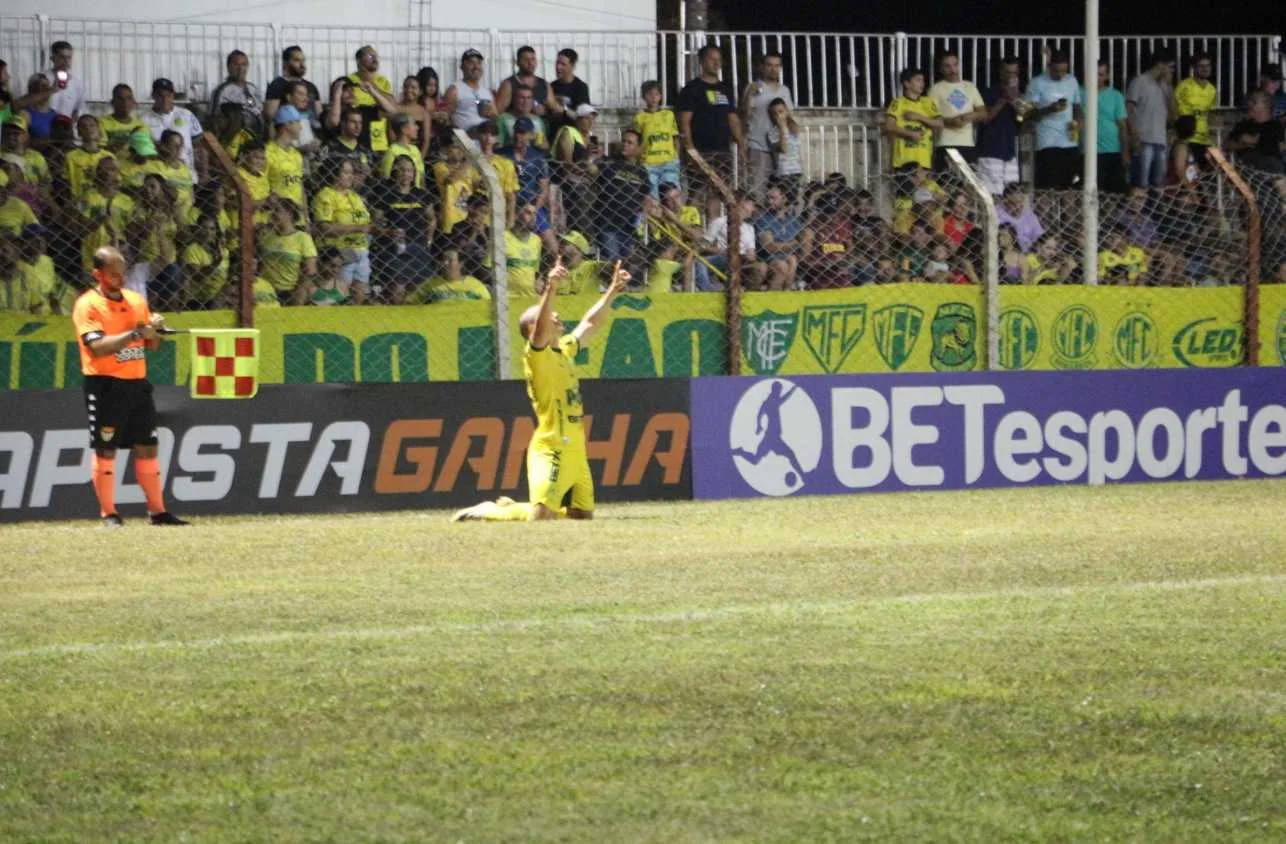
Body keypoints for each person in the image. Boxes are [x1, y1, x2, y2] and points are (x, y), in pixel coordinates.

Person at [452, 257, 631, 522]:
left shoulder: (565, 349)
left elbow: (590, 323)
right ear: (535, 328)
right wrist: (551, 288)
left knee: (581, 516)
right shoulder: (537, 357)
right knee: (541, 516)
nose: (556, 316)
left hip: (576, 447)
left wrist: (612, 290)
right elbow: (539, 332)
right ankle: (494, 510)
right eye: (547, 317)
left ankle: (523, 505)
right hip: (552, 446)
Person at [72, 246, 188, 527]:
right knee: (106, 449)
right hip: (105, 385)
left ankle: (158, 512)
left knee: (147, 446)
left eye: (122, 273)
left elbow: (152, 345)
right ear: (97, 274)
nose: (120, 279)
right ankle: (109, 513)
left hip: (137, 383)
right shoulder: (88, 305)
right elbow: (97, 347)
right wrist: (136, 332)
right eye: (113, 275)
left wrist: (155, 330)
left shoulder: (136, 300)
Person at [678, 44, 744, 220]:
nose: (716, 63)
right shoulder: (692, 89)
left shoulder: (725, 88)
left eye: (719, 60)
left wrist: (741, 143)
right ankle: (691, 234)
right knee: (696, 194)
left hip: (722, 151)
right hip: (701, 151)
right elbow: (684, 122)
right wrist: (690, 150)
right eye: (712, 59)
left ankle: (712, 237)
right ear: (702, 61)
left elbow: (733, 118)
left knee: (717, 196)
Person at [312, 159, 373, 304]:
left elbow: (366, 222)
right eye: (346, 172)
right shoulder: (325, 195)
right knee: (339, 296)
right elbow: (325, 228)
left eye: (352, 173)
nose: (350, 176)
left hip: (361, 250)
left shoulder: (355, 197)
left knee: (359, 295)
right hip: (339, 250)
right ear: (334, 174)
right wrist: (357, 228)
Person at [1026, 49, 1083, 189]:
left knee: (1069, 188)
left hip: (1069, 142)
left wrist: (1078, 122)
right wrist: (1050, 109)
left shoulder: (1072, 80)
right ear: (1049, 66)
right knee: (1047, 188)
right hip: (1046, 142)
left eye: (1063, 71)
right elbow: (1028, 114)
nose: (1060, 75)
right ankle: (1047, 212)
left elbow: (1076, 106)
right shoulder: (1037, 82)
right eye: (1057, 71)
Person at [592, 129, 649, 262]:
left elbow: (646, 196)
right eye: (623, 141)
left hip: (629, 226)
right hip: (607, 223)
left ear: (638, 148)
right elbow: (592, 167)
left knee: (625, 267)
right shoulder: (609, 163)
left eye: (630, 143)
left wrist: (641, 219)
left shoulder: (641, 171)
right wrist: (593, 158)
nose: (625, 145)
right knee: (613, 263)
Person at [741, 52, 794, 194]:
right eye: (769, 65)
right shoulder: (753, 88)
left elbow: (790, 119)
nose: (773, 69)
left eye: (777, 66)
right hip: (759, 147)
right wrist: (748, 96)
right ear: (762, 67)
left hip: (780, 149)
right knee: (757, 191)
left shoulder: (785, 90)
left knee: (784, 192)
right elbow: (744, 117)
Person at [1126, 49, 1176, 189]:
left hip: (1160, 140)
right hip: (1143, 140)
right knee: (1142, 183)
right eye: (1170, 67)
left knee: (1158, 183)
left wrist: (1170, 87)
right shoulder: (1139, 81)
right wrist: (1134, 135)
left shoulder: (1165, 85)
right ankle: (1138, 210)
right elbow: (1128, 110)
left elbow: (1174, 115)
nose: (1171, 71)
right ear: (1160, 64)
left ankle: (1155, 211)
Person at [929, 50, 985, 169]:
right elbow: (930, 119)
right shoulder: (935, 89)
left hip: (968, 144)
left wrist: (969, 116)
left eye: (955, 65)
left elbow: (983, 113)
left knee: (968, 185)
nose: (952, 69)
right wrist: (951, 122)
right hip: (945, 144)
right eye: (947, 66)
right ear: (941, 69)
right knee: (946, 185)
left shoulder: (970, 86)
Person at [142, 78, 204, 184]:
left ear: (173, 95)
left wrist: (203, 173)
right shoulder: (143, 120)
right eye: (160, 96)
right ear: (153, 96)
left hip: (187, 177)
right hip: (160, 180)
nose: (165, 100)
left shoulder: (186, 115)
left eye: (168, 95)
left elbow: (198, 146)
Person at [976, 57, 1023, 195]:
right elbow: (985, 118)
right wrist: (1003, 98)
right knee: (992, 196)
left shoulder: (1019, 96)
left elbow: (1024, 118)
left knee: (1012, 196)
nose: (1011, 76)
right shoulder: (988, 92)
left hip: (1010, 153)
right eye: (1008, 72)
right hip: (990, 152)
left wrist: (1015, 99)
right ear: (1001, 72)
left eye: (1014, 73)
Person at [885, 68, 942, 171]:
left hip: (924, 160)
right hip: (903, 161)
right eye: (918, 80)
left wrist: (919, 117)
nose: (922, 84)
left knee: (924, 187)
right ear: (907, 84)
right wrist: (910, 134)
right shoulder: (898, 103)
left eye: (923, 80)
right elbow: (889, 125)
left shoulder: (928, 102)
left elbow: (939, 123)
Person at [1087, 59, 1130, 195]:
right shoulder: (1080, 93)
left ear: (1107, 76)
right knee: (1090, 193)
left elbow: (1122, 126)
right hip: (1087, 153)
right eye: (1094, 74)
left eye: (1100, 75)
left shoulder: (1115, 95)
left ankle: (1109, 217)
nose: (1096, 78)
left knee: (1113, 194)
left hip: (1112, 151)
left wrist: (1125, 152)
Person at [634, 80, 680, 196]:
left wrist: (677, 156)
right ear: (644, 96)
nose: (653, 97)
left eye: (657, 94)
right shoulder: (640, 117)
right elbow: (637, 140)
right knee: (652, 196)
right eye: (650, 94)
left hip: (669, 162)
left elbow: (675, 137)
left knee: (671, 196)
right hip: (649, 164)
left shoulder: (669, 115)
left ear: (661, 96)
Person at [1174, 53, 1217, 168]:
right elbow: (1173, 108)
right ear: (1194, 68)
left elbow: (1210, 114)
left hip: (1204, 139)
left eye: (1208, 65)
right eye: (1201, 66)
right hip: (1188, 138)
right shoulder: (1184, 86)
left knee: (1204, 176)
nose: (1205, 69)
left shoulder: (1212, 89)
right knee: (1187, 175)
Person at [210, 50, 264, 139]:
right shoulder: (221, 91)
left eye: (244, 64)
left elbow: (261, 113)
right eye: (236, 65)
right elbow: (213, 120)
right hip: (232, 141)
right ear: (228, 67)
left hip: (255, 139)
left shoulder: (254, 89)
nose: (240, 68)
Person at [265, 46, 322, 126]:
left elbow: (320, 114)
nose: (302, 64)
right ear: (286, 63)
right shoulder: (277, 85)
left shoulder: (311, 86)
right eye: (297, 60)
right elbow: (270, 115)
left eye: (303, 60)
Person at [445, 49, 497, 133]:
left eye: (479, 63)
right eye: (471, 63)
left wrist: (492, 115)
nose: (476, 66)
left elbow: (496, 119)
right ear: (462, 67)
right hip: (465, 142)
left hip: (485, 141)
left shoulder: (487, 93)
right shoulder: (454, 90)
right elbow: (445, 118)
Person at [495, 46, 556, 117]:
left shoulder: (544, 84)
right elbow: (497, 113)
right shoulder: (508, 84)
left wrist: (544, 110)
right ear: (518, 62)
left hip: (540, 126)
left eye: (533, 59)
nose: (530, 63)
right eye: (526, 60)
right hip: (516, 126)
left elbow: (554, 109)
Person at [765, 97, 803, 204]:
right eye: (775, 113)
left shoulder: (793, 127)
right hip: (783, 172)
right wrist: (782, 129)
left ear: (786, 111)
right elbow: (784, 149)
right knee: (784, 200)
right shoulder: (772, 133)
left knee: (794, 201)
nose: (778, 116)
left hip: (795, 170)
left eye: (781, 111)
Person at [40, 41, 86, 122]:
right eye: (62, 57)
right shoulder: (42, 79)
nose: (66, 61)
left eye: (69, 57)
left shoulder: (77, 82)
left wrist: (71, 127)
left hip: (66, 128)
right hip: (45, 126)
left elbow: (78, 109)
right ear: (53, 58)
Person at [97, 84, 146, 156]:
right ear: (112, 102)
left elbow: (144, 152)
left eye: (129, 98)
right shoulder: (101, 122)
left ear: (133, 102)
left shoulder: (141, 125)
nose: (125, 102)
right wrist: (126, 139)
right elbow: (99, 151)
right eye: (120, 99)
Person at [549, 48, 591, 128]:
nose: (558, 67)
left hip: (572, 134)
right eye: (557, 63)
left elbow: (584, 119)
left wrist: (564, 110)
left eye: (563, 64)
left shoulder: (580, 88)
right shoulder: (551, 86)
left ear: (573, 66)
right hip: (553, 134)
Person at [499, 84, 549, 149]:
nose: (526, 102)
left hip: (536, 156)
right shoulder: (503, 119)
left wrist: (537, 140)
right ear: (514, 99)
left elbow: (545, 146)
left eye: (529, 98)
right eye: (522, 98)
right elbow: (498, 147)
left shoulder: (538, 120)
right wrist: (521, 139)